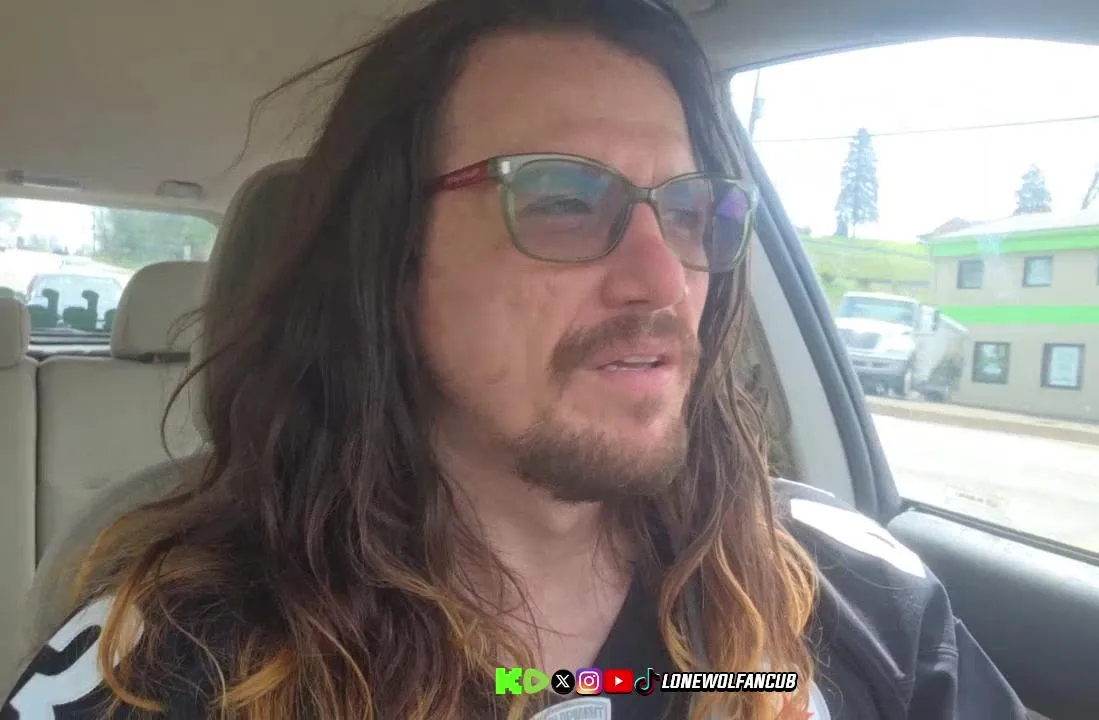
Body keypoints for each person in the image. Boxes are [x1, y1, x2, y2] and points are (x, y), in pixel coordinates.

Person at [2, 0, 1027, 718]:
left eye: (689, 210)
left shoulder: (853, 599)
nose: (661, 283)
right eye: (562, 201)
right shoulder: (165, 665)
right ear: (388, 259)